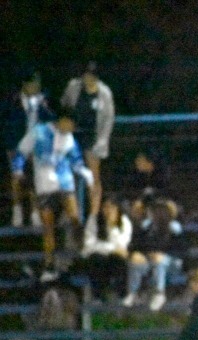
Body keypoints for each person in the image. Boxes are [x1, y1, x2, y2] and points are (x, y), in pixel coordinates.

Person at [12, 105, 94, 282]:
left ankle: (80, 251)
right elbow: (21, 152)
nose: (72, 129)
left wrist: (84, 171)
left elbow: (76, 159)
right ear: (63, 120)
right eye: (71, 124)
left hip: (65, 182)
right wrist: (18, 169)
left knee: (74, 217)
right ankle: (49, 266)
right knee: (48, 227)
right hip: (44, 185)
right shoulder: (38, 132)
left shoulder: (69, 138)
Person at [61, 61, 115, 219]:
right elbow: (64, 106)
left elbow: (108, 119)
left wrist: (101, 143)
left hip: (93, 138)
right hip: (73, 137)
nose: (88, 78)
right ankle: (70, 213)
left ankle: (93, 216)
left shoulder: (104, 93)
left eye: (91, 75)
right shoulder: (73, 86)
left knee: (93, 177)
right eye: (86, 75)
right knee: (68, 176)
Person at [2, 67, 53, 227]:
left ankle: (34, 212)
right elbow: (6, 119)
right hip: (17, 144)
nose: (36, 87)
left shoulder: (44, 99)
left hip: (36, 144)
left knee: (35, 178)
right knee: (17, 177)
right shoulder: (13, 99)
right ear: (25, 84)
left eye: (38, 83)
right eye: (33, 84)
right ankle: (17, 211)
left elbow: (51, 118)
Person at [122, 196, 188, 311]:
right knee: (135, 260)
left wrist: (163, 255)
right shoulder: (147, 227)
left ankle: (159, 293)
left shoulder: (175, 228)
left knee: (159, 260)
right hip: (150, 261)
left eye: (152, 212)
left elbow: (181, 250)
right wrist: (140, 254)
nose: (149, 214)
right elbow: (137, 245)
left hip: (171, 263)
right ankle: (133, 292)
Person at [71, 194, 132, 300]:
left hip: (113, 258)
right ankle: (98, 296)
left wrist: (112, 227)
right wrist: (110, 248)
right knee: (97, 259)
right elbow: (89, 245)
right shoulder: (94, 220)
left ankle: (122, 296)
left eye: (111, 207)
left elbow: (121, 245)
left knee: (119, 260)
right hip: (95, 258)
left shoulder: (124, 222)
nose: (108, 210)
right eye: (105, 207)